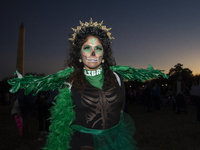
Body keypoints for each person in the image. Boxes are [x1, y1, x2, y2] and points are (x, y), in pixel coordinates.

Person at [8, 18, 168, 150]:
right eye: (87, 48)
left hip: (115, 141)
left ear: (104, 54)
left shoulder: (117, 78)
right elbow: (61, 119)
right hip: (83, 143)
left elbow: (120, 109)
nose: (92, 53)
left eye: (98, 48)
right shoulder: (69, 81)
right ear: (79, 54)